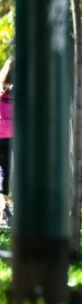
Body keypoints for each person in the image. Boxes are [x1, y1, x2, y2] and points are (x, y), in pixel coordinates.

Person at [0, 57, 13, 223]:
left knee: (3, 169)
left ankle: (4, 207)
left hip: (1, 135)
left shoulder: (1, 89)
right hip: (16, 135)